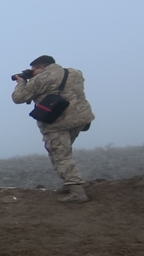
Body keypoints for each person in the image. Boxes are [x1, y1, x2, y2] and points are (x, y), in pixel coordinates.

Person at [13, 55, 96, 202]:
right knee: (64, 152)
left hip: (57, 123)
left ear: (41, 67)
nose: (32, 72)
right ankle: (69, 182)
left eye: (34, 69)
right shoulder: (75, 72)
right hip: (81, 118)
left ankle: (77, 191)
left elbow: (18, 98)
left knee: (61, 155)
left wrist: (22, 82)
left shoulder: (41, 79)